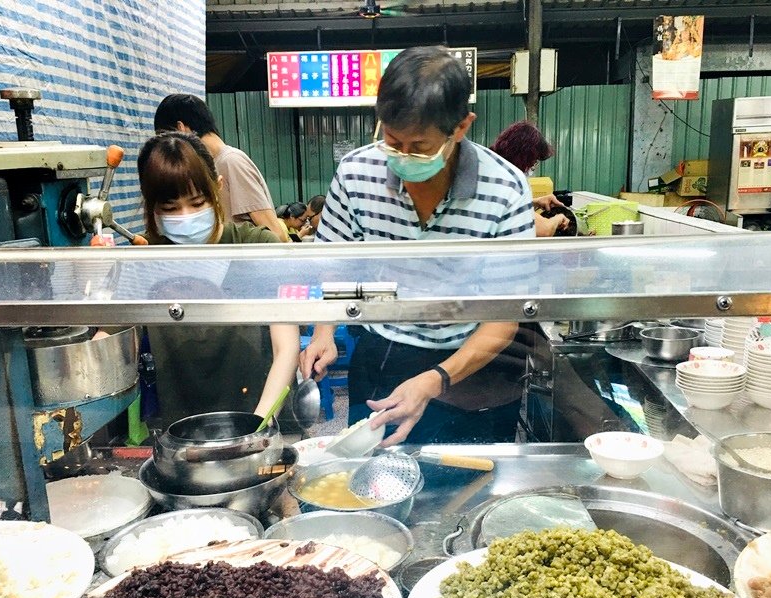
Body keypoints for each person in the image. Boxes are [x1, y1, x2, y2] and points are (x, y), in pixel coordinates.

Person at [299, 46, 536, 447]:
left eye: (420, 146)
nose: (402, 157)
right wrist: (325, 330)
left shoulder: (506, 189)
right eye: (392, 141)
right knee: (369, 475)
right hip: (383, 352)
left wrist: (436, 381)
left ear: (461, 127)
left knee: (463, 488)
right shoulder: (357, 174)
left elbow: (505, 319)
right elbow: (337, 268)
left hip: (470, 360)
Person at [136, 132, 300, 426]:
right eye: (170, 209)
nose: (186, 216)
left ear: (218, 188)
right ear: (152, 207)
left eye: (198, 203)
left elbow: (286, 346)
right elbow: (109, 340)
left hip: (264, 416)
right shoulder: (143, 257)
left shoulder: (256, 247)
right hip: (181, 429)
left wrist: (258, 426)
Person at [154, 94, 289, 243]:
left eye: (165, 138)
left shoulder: (231, 162)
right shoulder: (212, 163)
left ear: (181, 128)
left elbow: (276, 235)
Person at [491, 121, 571, 237]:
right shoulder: (508, 179)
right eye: (534, 161)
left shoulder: (494, 167)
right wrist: (558, 219)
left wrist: (534, 202)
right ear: (524, 156)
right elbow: (544, 230)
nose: (533, 166)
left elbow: (504, 207)